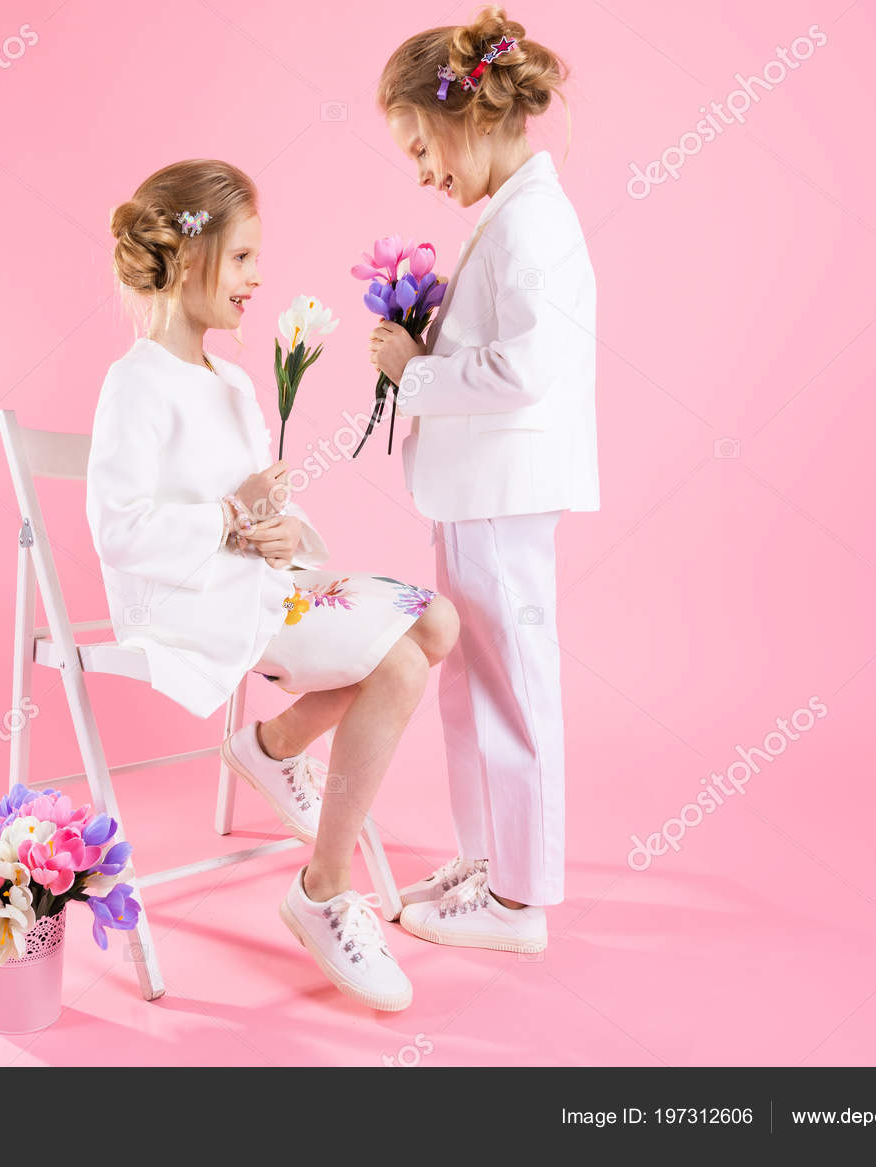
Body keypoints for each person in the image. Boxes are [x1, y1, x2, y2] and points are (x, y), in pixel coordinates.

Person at [87, 158, 460, 1010]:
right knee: (401, 665)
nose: (258, 278)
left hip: (255, 580)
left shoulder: (236, 383)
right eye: (244, 258)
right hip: (188, 600)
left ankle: (275, 744)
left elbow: (260, 512)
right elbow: (119, 529)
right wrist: (226, 518)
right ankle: (323, 892)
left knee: (436, 621)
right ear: (188, 258)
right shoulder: (136, 382)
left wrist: (285, 530)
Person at [368, 7, 599, 953]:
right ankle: (487, 860)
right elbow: (496, 350)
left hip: (503, 493)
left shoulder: (531, 222)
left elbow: (525, 369)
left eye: (423, 145)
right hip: (476, 492)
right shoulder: (509, 217)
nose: (424, 172)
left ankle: (519, 900)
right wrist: (426, 344)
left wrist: (410, 373)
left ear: (471, 114)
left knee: (512, 687)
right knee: (472, 683)